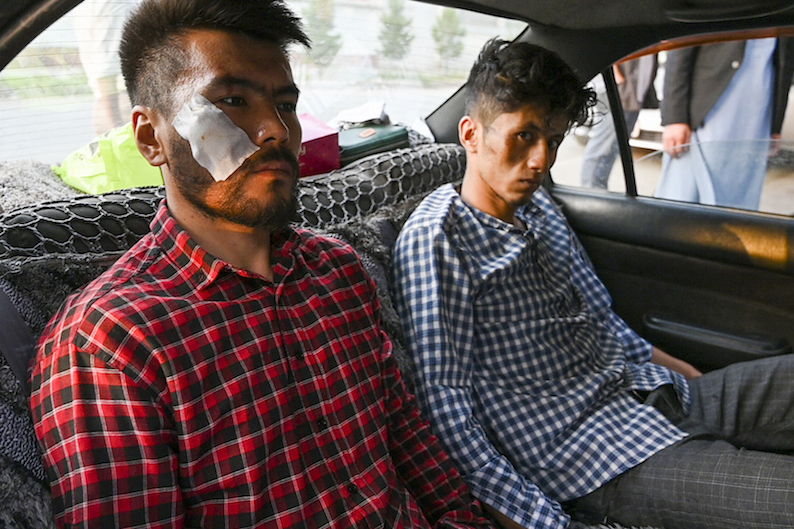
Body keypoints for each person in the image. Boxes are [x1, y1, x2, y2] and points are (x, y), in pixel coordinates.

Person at [28, 1, 497, 528]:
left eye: (286, 104)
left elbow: (407, 437)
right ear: (148, 139)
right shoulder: (111, 343)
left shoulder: (339, 271)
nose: (276, 130)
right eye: (231, 101)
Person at [392, 37, 794, 529]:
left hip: (650, 395)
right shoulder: (438, 239)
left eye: (555, 140)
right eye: (525, 136)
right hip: (599, 462)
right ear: (471, 133)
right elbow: (448, 412)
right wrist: (547, 523)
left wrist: (688, 377)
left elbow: (604, 322)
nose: (542, 160)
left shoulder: (541, 209)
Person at [656, 38, 794, 209]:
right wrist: (675, 118)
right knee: (682, 202)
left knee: (739, 203)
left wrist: (775, 126)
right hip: (703, 116)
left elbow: (785, 63)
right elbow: (681, 50)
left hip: (757, 120)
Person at [580, 55, 658, 189]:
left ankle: (596, 189)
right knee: (603, 149)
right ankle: (592, 192)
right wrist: (614, 73)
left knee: (614, 148)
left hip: (633, 95)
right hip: (619, 92)